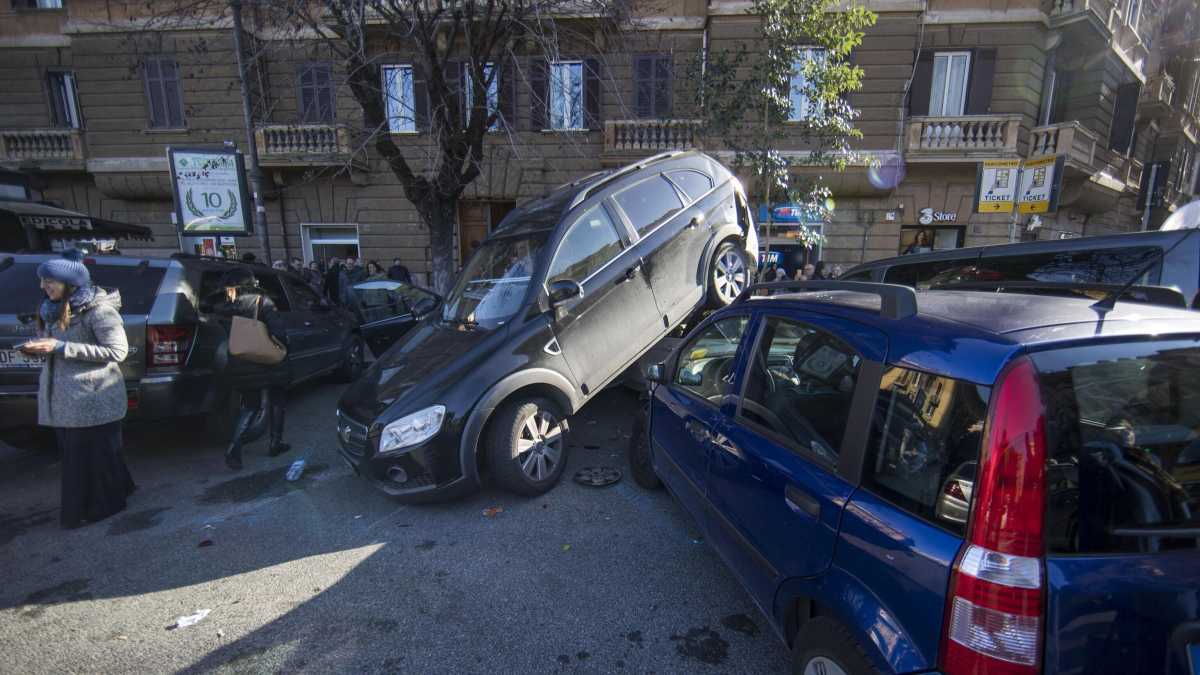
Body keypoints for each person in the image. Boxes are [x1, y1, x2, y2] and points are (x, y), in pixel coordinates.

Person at [20, 249, 135, 529]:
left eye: (50, 281)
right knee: (93, 455)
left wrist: (59, 347)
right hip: (65, 398)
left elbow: (117, 350)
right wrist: (39, 349)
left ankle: (98, 507)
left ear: (70, 283)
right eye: (43, 281)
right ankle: (113, 494)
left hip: (92, 397)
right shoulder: (52, 309)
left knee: (89, 457)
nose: (44, 286)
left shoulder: (99, 310)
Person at [211, 267, 292, 470]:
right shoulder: (262, 302)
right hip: (267, 360)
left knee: (250, 407)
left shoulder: (224, 307)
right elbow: (279, 332)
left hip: (240, 361)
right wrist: (284, 348)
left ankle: (234, 448)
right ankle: (275, 443)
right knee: (277, 401)